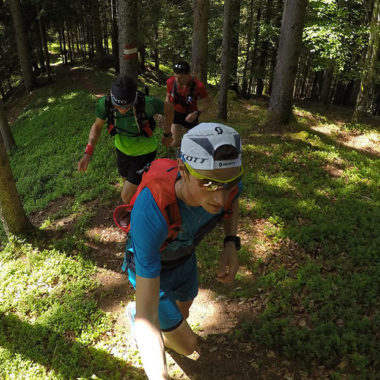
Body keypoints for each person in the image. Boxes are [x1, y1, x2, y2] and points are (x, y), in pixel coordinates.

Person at [120, 123, 243, 380]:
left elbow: (234, 200)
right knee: (188, 345)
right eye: (208, 183)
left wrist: (230, 241)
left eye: (229, 183)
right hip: (151, 267)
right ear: (182, 170)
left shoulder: (227, 181)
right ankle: (132, 314)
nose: (220, 197)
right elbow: (148, 317)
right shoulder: (151, 210)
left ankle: (168, 324)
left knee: (182, 314)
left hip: (185, 259)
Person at [78, 74, 174, 203]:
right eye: (117, 106)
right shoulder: (105, 103)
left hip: (144, 152)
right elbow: (97, 126)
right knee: (128, 181)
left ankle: (143, 213)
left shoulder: (148, 104)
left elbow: (170, 109)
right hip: (121, 150)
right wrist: (88, 152)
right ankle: (144, 200)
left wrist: (167, 134)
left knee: (126, 196)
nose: (121, 110)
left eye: (126, 107)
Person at [165, 61, 211, 147]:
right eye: (175, 76)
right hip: (176, 112)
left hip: (191, 114)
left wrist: (197, 113)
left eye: (181, 77)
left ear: (188, 75)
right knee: (173, 142)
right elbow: (168, 96)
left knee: (193, 143)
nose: (177, 80)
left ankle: (188, 149)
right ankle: (181, 151)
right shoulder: (170, 82)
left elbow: (207, 102)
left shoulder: (198, 85)